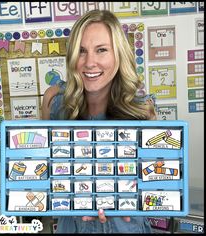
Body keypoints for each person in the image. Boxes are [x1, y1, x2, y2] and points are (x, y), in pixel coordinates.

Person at [42, 9, 156, 234]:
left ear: (118, 54)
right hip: (72, 226)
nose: (89, 62)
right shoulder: (54, 101)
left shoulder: (143, 109)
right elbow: (46, 173)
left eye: (101, 50)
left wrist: (133, 200)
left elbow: (154, 180)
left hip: (126, 226)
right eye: (81, 51)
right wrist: (73, 200)